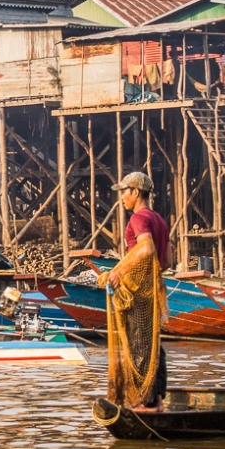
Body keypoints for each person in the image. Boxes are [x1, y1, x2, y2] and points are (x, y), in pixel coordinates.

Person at [97, 171, 172, 413]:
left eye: (124, 192)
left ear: (136, 192)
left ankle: (143, 403)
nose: (121, 198)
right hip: (153, 291)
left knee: (139, 345)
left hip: (138, 293)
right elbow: (167, 260)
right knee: (153, 345)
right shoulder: (159, 220)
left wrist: (119, 272)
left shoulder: (138, 218)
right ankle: (158, 401)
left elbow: (147, 247)